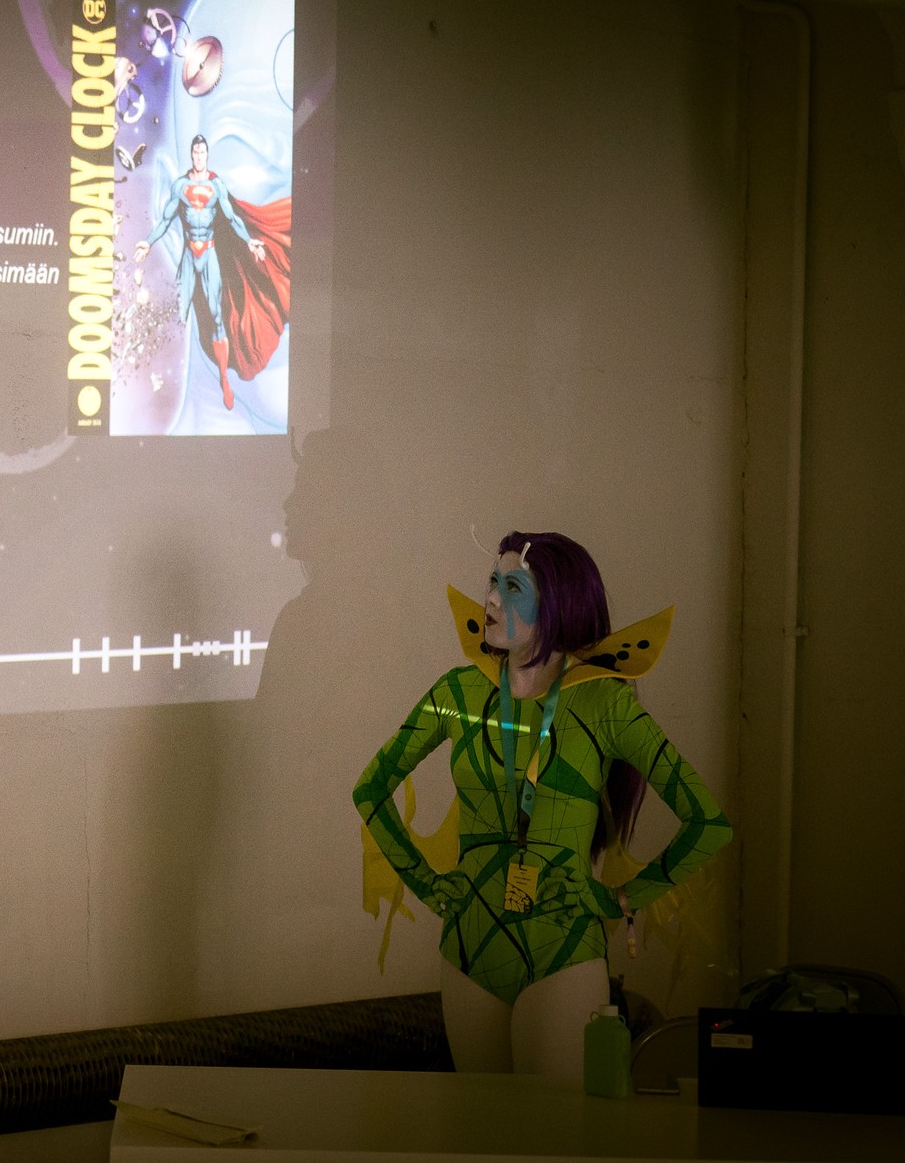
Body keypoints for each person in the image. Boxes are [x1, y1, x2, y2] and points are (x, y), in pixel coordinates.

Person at [352, 531, 732, 1079]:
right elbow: (370, 788)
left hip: (564, 956)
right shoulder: (457, 693)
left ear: (558, 603)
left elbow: (708, 822)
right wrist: (427, 884)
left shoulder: (605, 702)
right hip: (468, 953)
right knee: (479, 1124)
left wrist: (619, 899)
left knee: (553, 1127)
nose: (489, 599)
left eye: (512, 587)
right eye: (492, 582)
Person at [132, 134, 289, 410]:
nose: (199, 157)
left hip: (210, 254)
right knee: (178, 314)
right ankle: (156, 382)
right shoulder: (181, 186)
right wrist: (148, 241)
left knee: (217, 317)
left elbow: (232, 218)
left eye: (202, 152)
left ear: (206, 155)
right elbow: (167, 219)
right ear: (192, 155)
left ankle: (224, 381)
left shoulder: (216, 186)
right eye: (196, 152)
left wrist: (250, 241)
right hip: (189, 257)